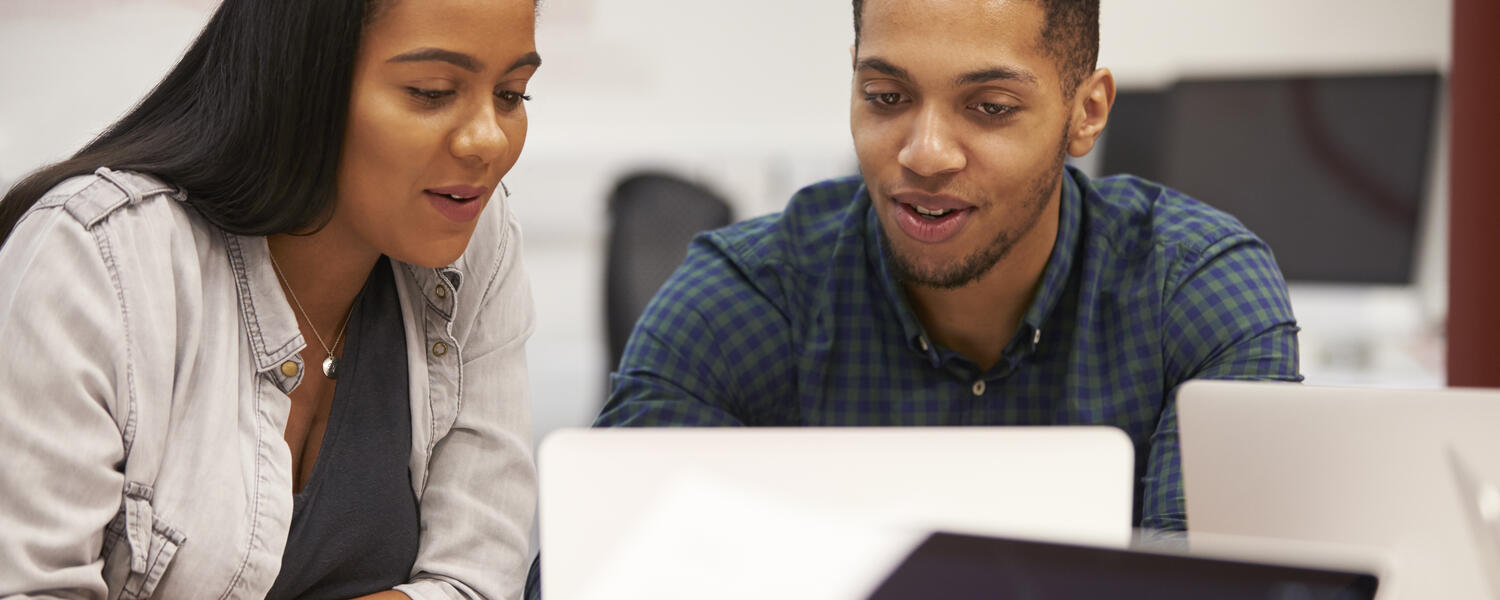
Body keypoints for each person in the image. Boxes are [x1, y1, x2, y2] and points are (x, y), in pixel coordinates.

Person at [526, 2, 1301, 591]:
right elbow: (587, 577)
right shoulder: (743, 299)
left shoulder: (1195, 287)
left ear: (1085, 112)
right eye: (888, 98)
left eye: (990, 108)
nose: (924, 154)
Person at [0, 0, 541, 598]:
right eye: (431, 91)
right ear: (302, 82)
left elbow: (478, 579)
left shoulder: (473, 236)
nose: (487, 140)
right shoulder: (95, 257)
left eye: (512, 94)